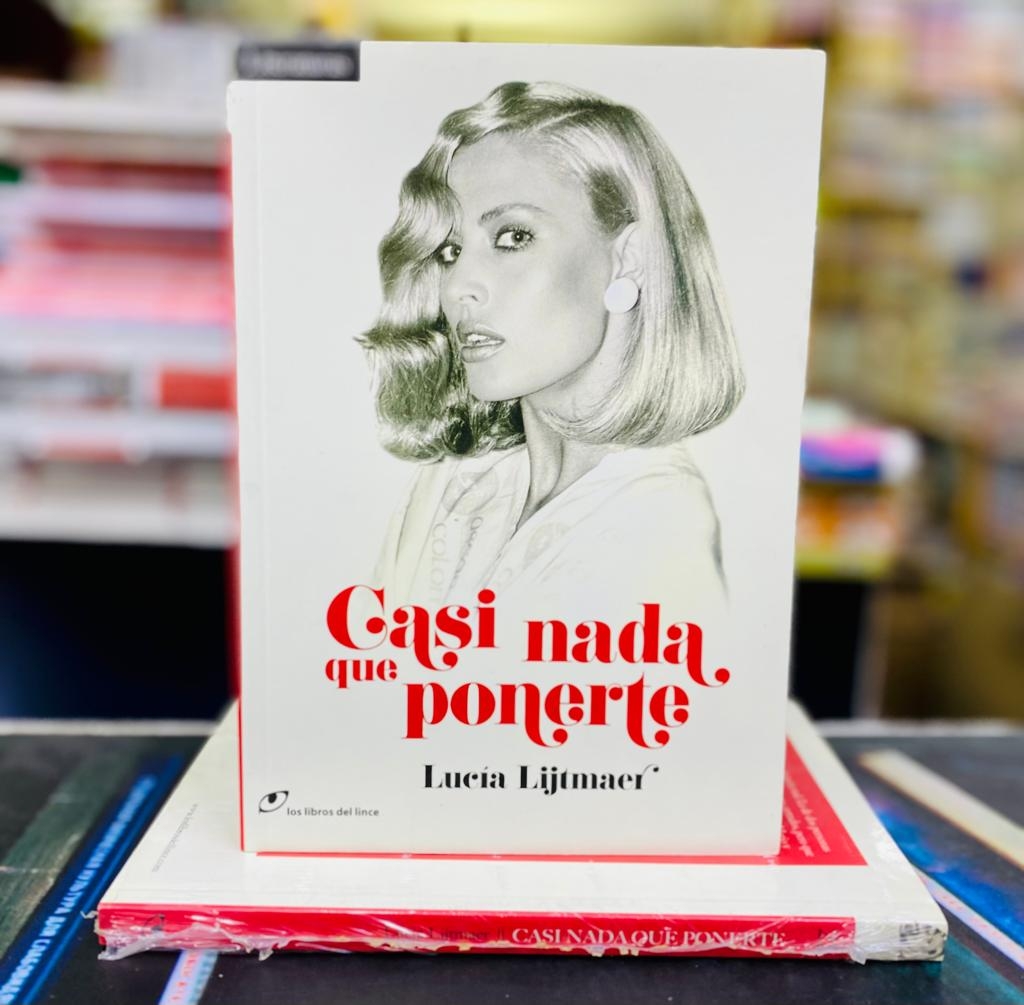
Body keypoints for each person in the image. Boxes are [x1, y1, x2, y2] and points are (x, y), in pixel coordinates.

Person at [359, 81, 745, 630]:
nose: (459, 286)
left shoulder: (660, 523)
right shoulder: (454, 487)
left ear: (629, 257)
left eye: (513, 237)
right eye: (449, 250)